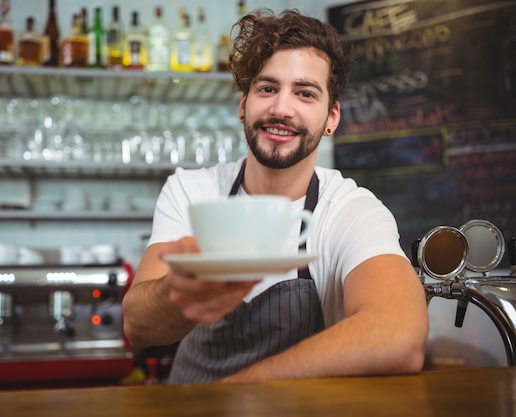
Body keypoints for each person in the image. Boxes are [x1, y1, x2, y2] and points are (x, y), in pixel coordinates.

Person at [121, 8, 429, 384]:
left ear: (332, 117)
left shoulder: (351, 209)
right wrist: (178, 290)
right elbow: (138, 326)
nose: (281, 109)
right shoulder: (192, 190)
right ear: (243, 105)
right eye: (267, 88)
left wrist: (237, 393)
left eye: (305, 93)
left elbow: (400, 336)